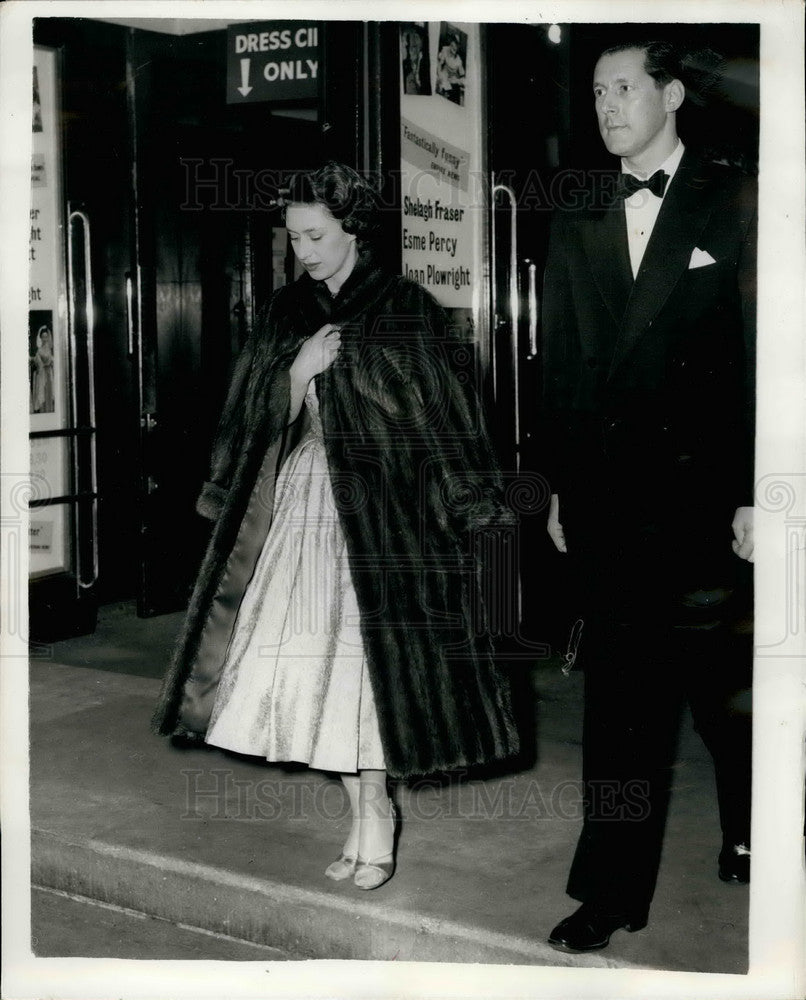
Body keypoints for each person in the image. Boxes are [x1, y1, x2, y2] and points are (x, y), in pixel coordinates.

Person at [152, 162, 519, 890]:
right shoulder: (287, 312)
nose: (305, 251)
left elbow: (447, 422)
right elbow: (250, 415)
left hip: (389, 519)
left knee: (371, 676)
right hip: (305, 507)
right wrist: (297, 371)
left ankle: (376, 813)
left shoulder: (404, 306)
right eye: (294, 239)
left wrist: (476, 514)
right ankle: (364, 804)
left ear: (355, 227)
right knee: (314, 673)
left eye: (317, 235)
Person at [539, 41, 756, 951]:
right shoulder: (579, 207)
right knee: (622, 707)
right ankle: (611, 891)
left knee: (720, 692)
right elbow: (557, 360)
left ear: (670, 94)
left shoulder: (736, 196)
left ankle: (751, 823)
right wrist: (553, 481)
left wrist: (759, 492)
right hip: (611, 502)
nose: (607, 104)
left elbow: (767, 359)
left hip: (710, 505)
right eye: (596, 92)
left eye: (623, 87)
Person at [436, 32, 465, 105]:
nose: (454, 48)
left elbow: (462, 75)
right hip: (443, 75)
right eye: (452, 45)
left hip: (453, 79)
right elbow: (439, 64)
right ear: (450, 44)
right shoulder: (445, 50)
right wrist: (439, 76)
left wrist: (458, 80)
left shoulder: (458, 60)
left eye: (456, 46)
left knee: (453, 95)